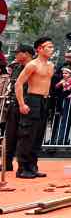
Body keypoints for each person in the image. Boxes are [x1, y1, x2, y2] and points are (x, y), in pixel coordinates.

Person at [14, 39, 54, 179]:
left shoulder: (50, 65)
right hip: (32, 99)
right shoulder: (32, 65)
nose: (51, 49)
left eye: (52, 47)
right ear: (39, 49)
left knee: (38, 135)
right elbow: (18, 84)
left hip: (44, 100)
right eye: (48, 47)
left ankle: (32, 166)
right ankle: (22, 168)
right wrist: (21, 104)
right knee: (27, 135)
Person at [2, 45, 34, 173]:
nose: (15, 55)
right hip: (14, 104)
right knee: (10, 134)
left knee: (24, 136)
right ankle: (7, 163)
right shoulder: (17, 67)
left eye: (18, 53)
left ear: (26, 54)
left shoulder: (34, 66)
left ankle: (24, 166)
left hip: (27, 104)